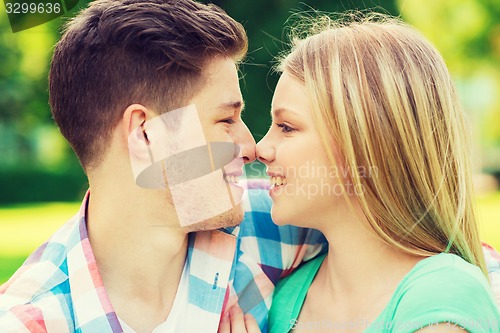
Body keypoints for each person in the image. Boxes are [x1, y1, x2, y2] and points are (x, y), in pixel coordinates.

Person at [0, 1, 327, 332]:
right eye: (226, 119)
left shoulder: (271, 224)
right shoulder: (31, 322)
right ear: (145, 133)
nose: (250, 147)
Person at [255, 13, 500, 333]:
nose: (261, 148)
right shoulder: (285, 296)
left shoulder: (441, 300)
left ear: (363, 141)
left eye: (287, 127)